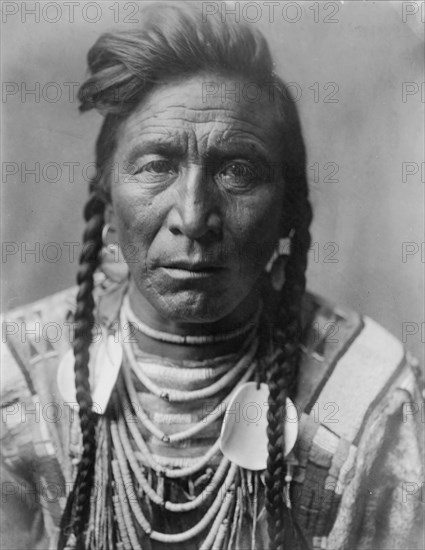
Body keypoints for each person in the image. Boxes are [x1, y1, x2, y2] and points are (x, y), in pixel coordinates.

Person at [1, 3, 423, 550]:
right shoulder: (15, 379)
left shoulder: (371, 395)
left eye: (237, 170)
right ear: (107, 201)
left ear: (289, 212)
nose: (194, 217)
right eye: (156, 164)